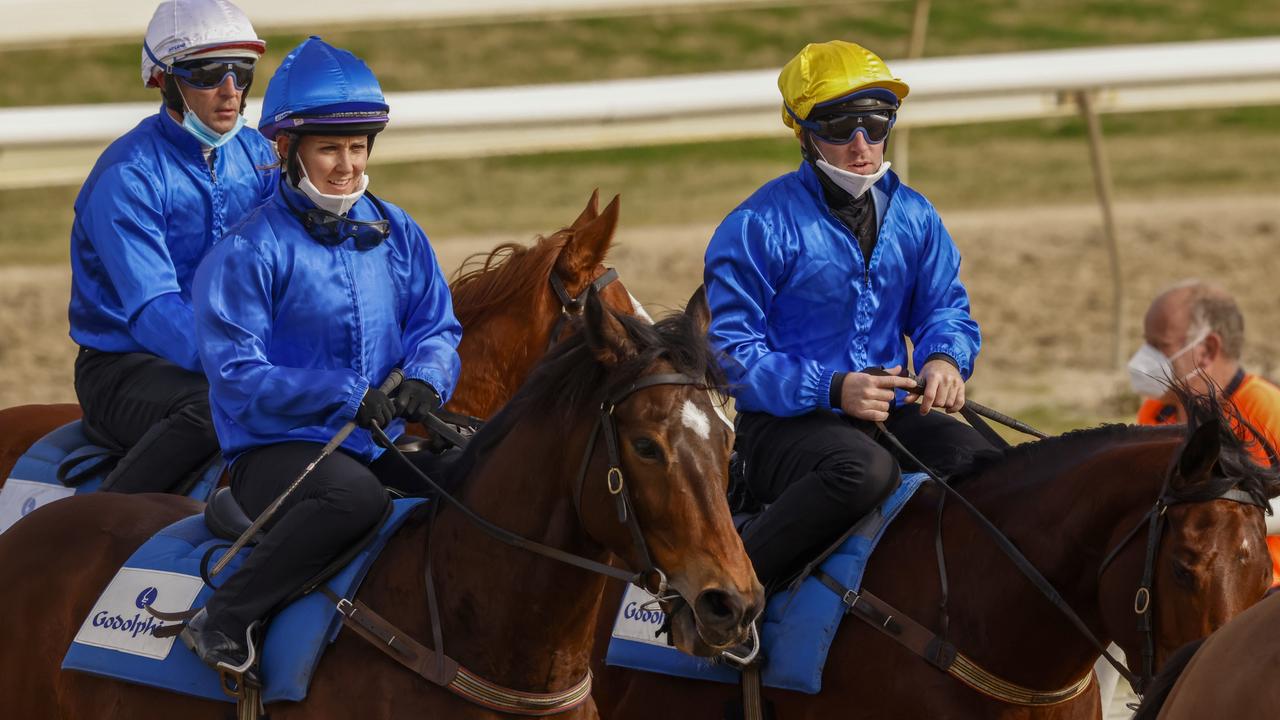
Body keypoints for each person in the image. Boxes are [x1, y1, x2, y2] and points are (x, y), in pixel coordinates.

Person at [183, 37, 462, 671]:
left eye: (358, 148)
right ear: (287, 150)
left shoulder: (397, 231)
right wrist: (343, 394)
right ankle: (223, 618)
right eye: (330, 149)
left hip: (372, 441)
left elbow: (436, 325)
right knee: (353, 499)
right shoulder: (247, 251)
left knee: (480, 473)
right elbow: (236, 377)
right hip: (273, 451)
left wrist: (425, 380)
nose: (347, 165)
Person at [704, 40, 994, 592]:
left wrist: (943, 359)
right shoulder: (755, 225)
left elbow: (944, 309)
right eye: (839, 126)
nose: (861, 144)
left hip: (889, 412)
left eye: (876, 122)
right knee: (864, 472)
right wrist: (833, 389)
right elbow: (729, 355)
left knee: (985, 466)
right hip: (781, 429)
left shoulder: (916, 215)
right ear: (803, 130)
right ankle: (727, 599)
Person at [68, 0, 277, 493]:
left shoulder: (259, 154)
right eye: (207, 73)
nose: (230, 91)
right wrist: (243, 359)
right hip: (124, 365)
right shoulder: (128, 175)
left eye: (243, 72)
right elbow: (155, 310)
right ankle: (104, 524)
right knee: (213, 409)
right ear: (164, 80)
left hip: (238, 352)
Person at [1128, 280, 1280, 583]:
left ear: (1208, 349)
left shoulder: (1265, 409)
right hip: (1183, 583)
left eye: (1159, 346)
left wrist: (1231, 519)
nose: (1143, 358)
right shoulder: (1156, 413)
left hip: (1264, 592)